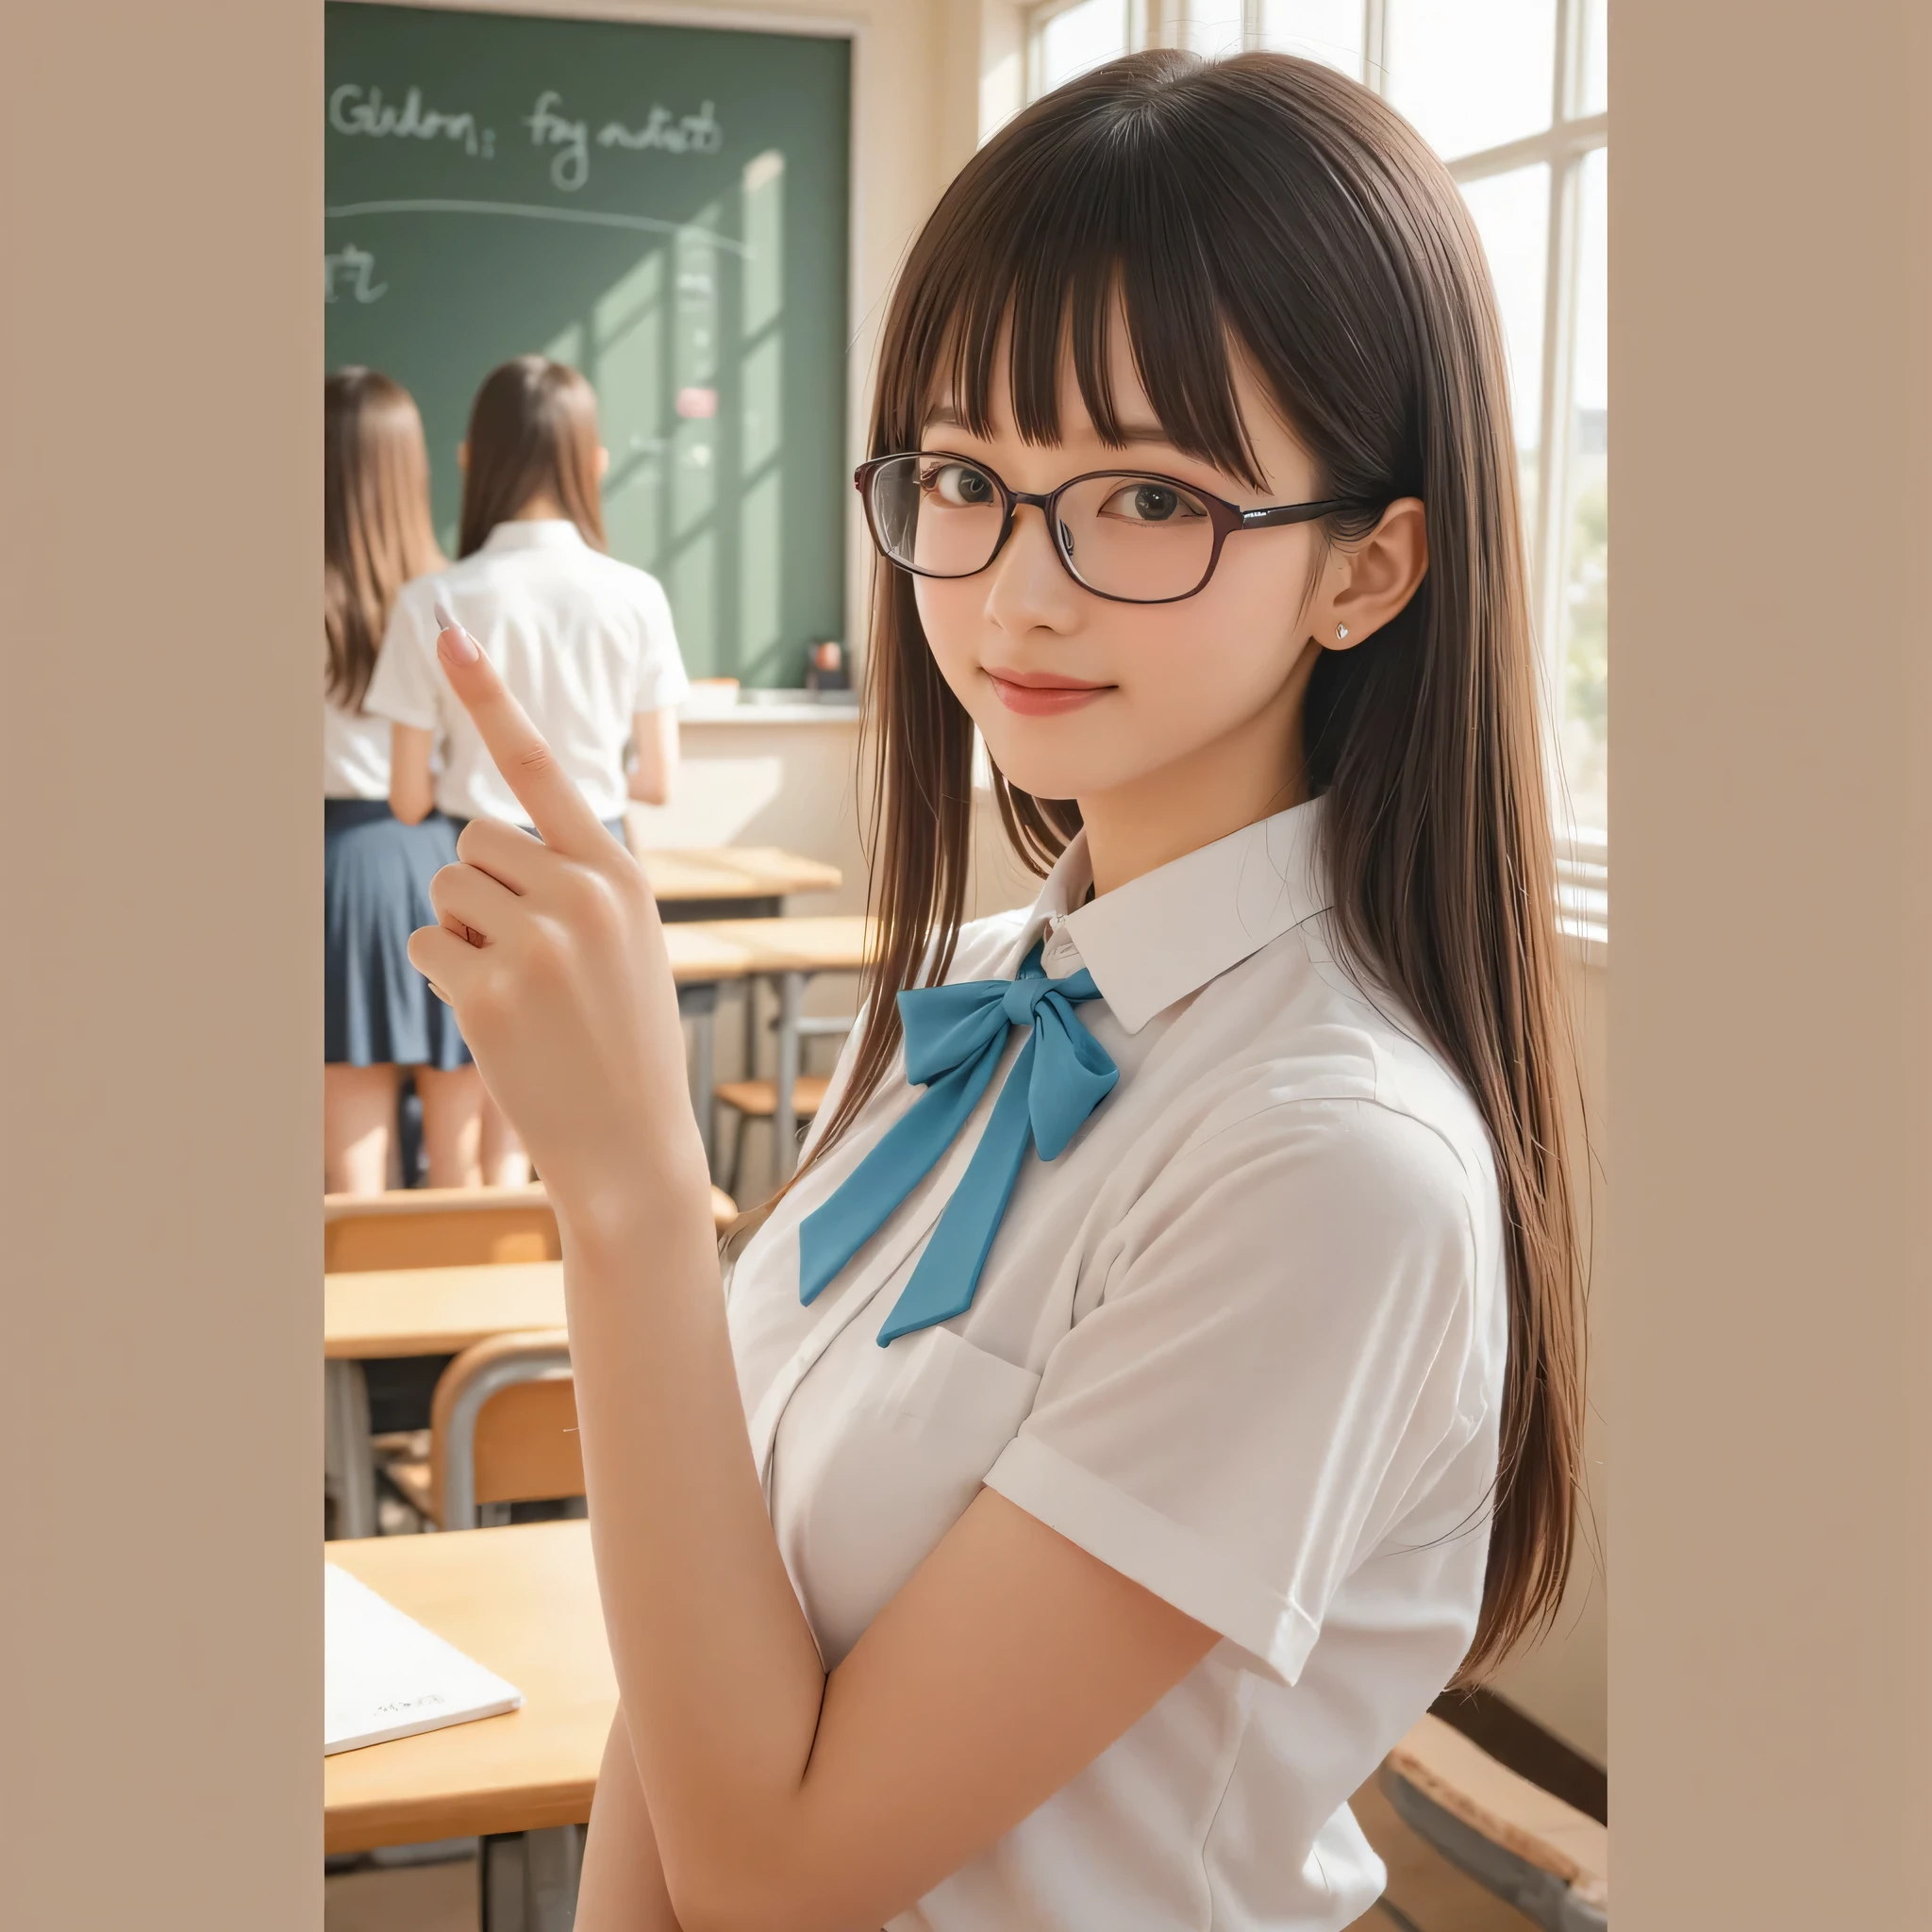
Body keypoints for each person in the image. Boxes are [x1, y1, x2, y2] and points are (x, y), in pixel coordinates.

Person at [408, 51, 1586, 1932]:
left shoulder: (1328, 1163)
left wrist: (624, 1187)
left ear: (1368, 566)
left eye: (1138, 497)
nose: (1016, 594)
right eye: (967, 476)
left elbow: (779, 1872)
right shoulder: (977, 987)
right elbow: (702, 1664)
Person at [368, 355, 689, 1185]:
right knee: (558, 1124)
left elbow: (406, 798)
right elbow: (657, 780)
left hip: (468, 865)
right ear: (596, 463)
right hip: (596, 865)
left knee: (454, 1118)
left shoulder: (430, 601)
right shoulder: (637, 595)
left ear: (473, 459)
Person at [322, 368, 486, 1194]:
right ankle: (466, 1325)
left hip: (332, 868)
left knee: (350, 1150)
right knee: (461, 1143)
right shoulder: (451, 597)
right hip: (442, 863)